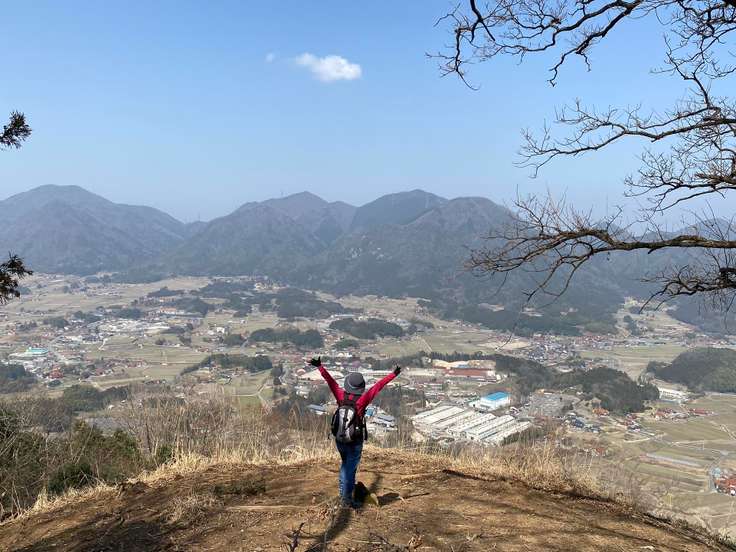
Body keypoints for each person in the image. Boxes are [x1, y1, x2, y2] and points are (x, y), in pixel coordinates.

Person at [309, 356, 401, 507]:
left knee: (347, 466)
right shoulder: (362, 400)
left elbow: (330, 381)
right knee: (348, 469)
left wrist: (320, 367)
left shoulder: (340, 395)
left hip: (340, 438)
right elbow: (378, 386)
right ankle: (346, 500)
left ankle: (345, 494)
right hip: (355, 440)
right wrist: (394, 374)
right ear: (361, 387)